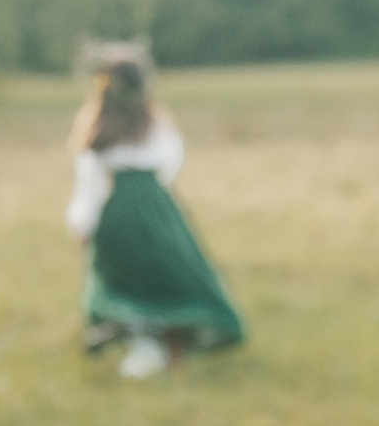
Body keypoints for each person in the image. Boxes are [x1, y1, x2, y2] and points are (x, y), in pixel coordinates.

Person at [64, 43, 245, 378]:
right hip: (159, 216)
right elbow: (171, 165)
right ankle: (164, 337)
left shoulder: (98, 136)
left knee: (126, 279)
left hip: (115, 219)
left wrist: (82, 226)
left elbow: (89, 188)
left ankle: (140, 337)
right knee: (171, 274)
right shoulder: (159, 130)